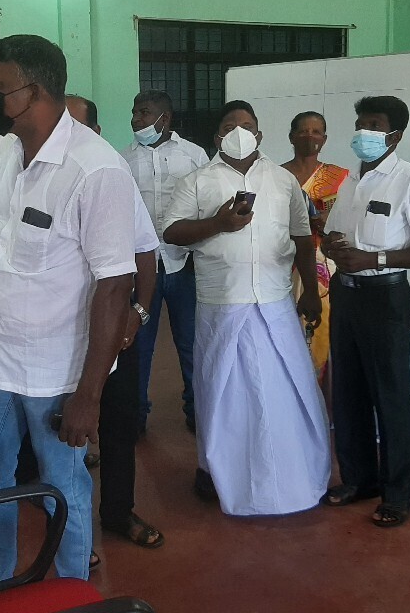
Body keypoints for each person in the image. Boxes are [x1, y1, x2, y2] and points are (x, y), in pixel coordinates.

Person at [0, 35, 136, 584]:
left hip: (56, 372)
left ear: (35, 91)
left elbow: (115, 285)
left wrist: (89, 395)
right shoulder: (8, 154)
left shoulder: (95, 170)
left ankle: (73, 599)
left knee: (61, 487)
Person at [163, 100, 330, 516]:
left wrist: (310, 291)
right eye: (229, 125)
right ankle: (215, 470)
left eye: (247, 125)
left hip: (274, 302)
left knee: (284, 391)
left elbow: (302, 239)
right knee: (221, 393)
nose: (239, 131)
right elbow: (172, 231)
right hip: (222, 303)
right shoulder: (196, 181)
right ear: (217, 136)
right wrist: (217, 224)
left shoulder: (282, 181)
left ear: (259, 134)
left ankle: (294, 475)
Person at [321, 95, 410, 528]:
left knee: (390, 396)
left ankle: (397, 495)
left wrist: (375, 259)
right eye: (360, 123)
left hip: (384, 297)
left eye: (374, 125)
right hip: (346, 295)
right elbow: (335, 234)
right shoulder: (350, 181)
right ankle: (359, 480)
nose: (364, 132)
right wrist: (332, 246)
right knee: (349, 393)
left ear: (395, 135)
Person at [66, 95, 164, 551]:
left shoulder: (112, 173)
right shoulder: (37, 174)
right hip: (60, 332)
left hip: (114, 328)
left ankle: (118, 512)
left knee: (119, 423)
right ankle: (68, 529)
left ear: (95, 131)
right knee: (61, 431)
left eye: (74, 124)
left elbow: (146, 248)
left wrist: (138, 313)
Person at [121, 90, 209, 433]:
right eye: (134, 112)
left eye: (143, 113)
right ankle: (136, 416)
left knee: (191, 344)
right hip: (141, 269)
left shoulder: (194, 155)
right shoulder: (123, 159)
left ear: (165, 118)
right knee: (138, 345)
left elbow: (206, 205)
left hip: (184, 265)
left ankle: (197, 411)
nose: (136, 120)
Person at [281, 111, 349, 378]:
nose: (310, 136)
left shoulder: (341, 177)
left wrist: (329, 221)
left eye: (316, 131)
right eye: (303, 131)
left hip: (325, 268)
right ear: (291, 137)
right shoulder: (276, 175)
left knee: (323, 332)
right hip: (284, 262)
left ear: (325, 138)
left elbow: (352, 219)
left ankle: (323, 389)